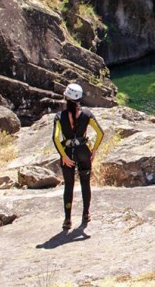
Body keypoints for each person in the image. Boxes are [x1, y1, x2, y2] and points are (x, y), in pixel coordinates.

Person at [52, 83, 104, 230]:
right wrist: (93, 150)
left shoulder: (59, 116)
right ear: (79, 98)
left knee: (68, 186)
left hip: (68, 152)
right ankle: (86, 214)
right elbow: (100, 133)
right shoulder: (87, 114)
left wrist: (63, 156)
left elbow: (56, 138)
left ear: (66, 97)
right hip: (83, 152)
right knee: (85, 183)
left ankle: (67, 219)